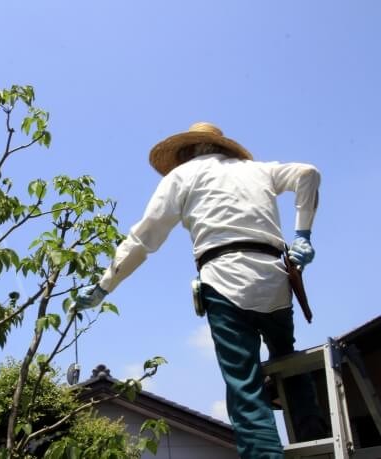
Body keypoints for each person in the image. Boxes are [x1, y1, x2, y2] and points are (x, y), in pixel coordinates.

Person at [75, 122, 325, 459]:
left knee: (244, 385)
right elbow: (308, 173)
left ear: (187, 151)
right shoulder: (257, 170)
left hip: (224, 278)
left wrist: (105, 285)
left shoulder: (181, 177)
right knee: (288, 361)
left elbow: (142, 240)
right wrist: (303, 237)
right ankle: (316, 437)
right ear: (222, 148)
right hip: (276, 277)